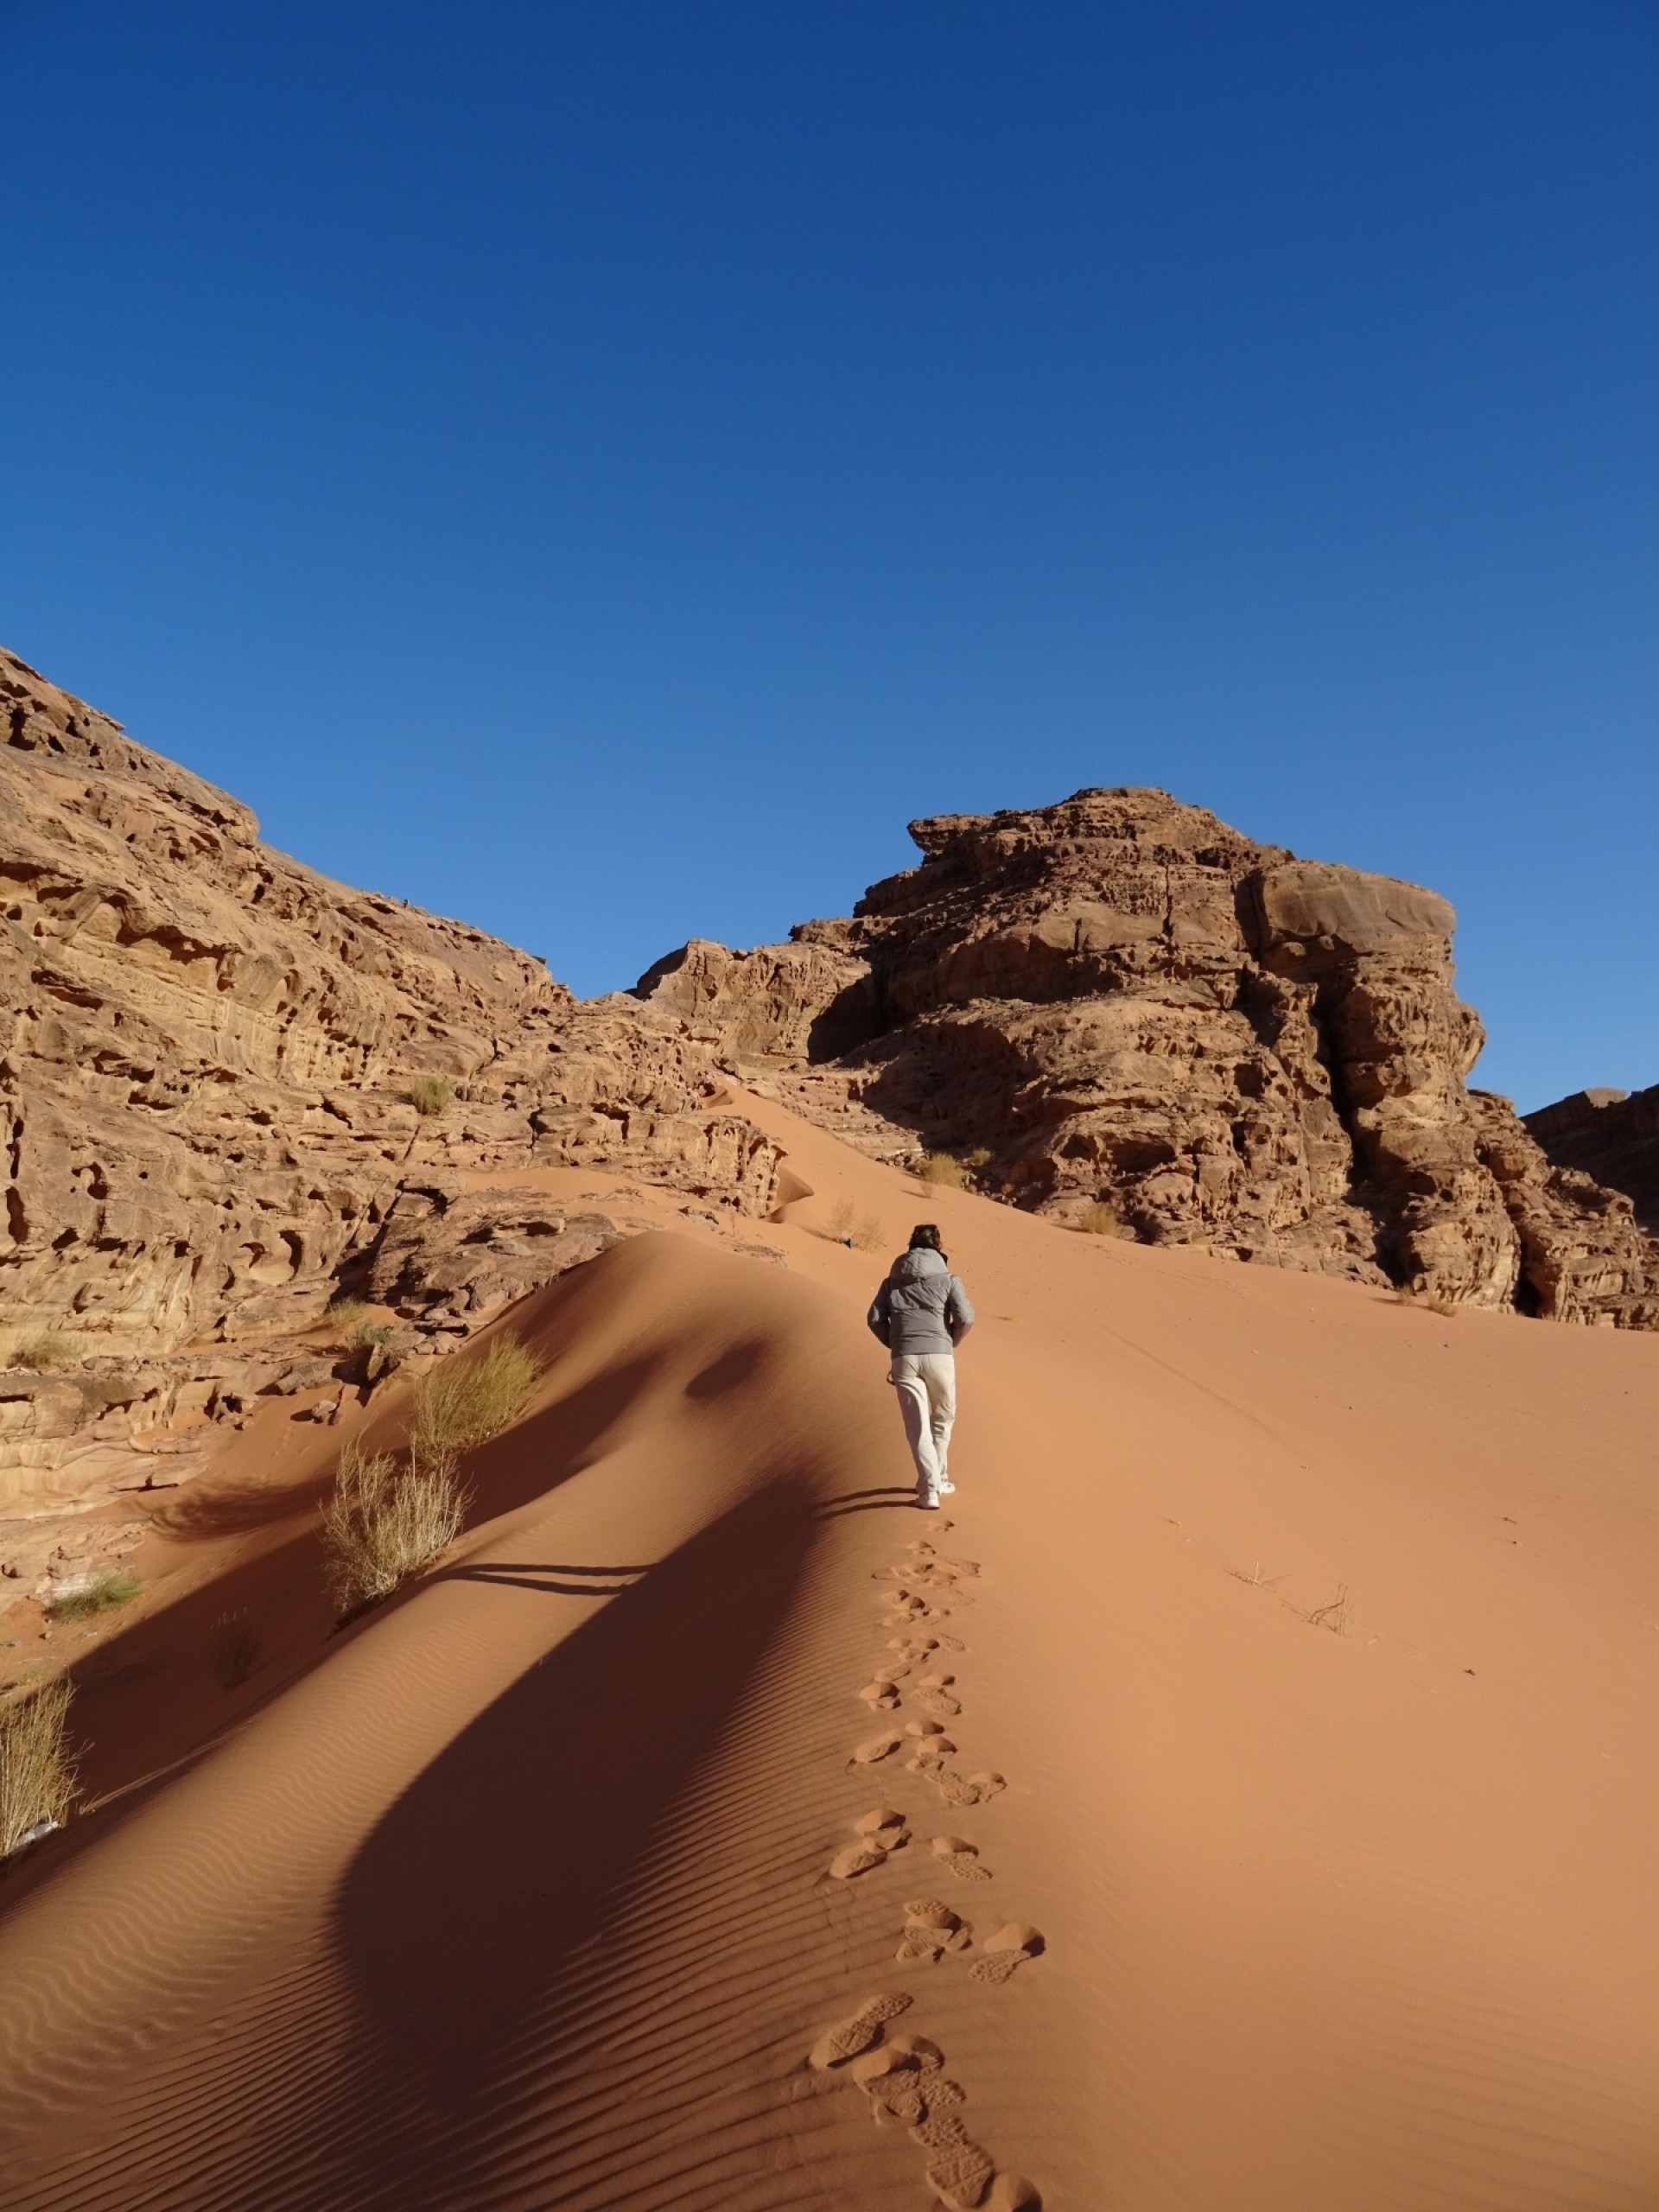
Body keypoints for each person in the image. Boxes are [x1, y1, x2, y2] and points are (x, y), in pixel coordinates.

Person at [867, 1223, 976, 1510]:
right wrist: (951, 1340)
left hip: (904, 1357)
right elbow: (966, 1317)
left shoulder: (891, 1282)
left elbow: (874, 1319)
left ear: (910, 1245)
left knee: (917, 1426)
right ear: (939, 1247)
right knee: (943, 1417)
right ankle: (936, 1481)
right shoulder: (949, 1279)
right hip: (940, 1355)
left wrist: (897, 1344)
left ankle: (931, 1487)